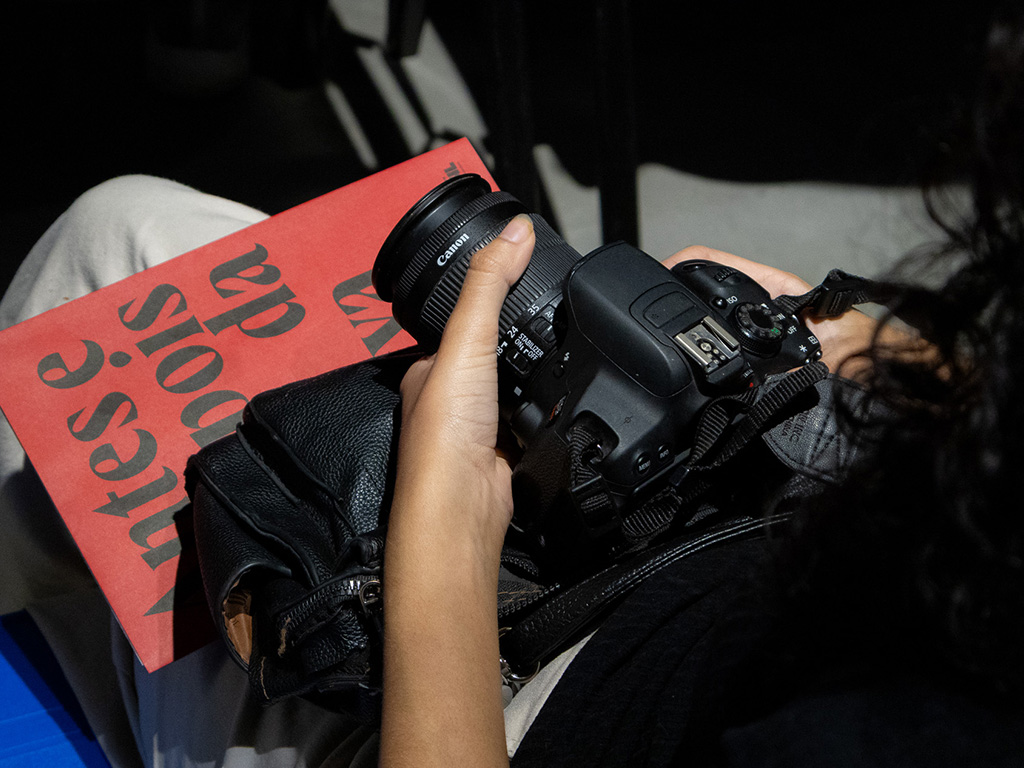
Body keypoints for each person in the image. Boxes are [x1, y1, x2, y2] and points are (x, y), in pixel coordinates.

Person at [3, 8, 1023, 768]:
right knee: (132, 221)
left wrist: (444, 526)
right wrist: (865, 357)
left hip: (473, 707)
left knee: (101, 249)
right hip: (683, 555)